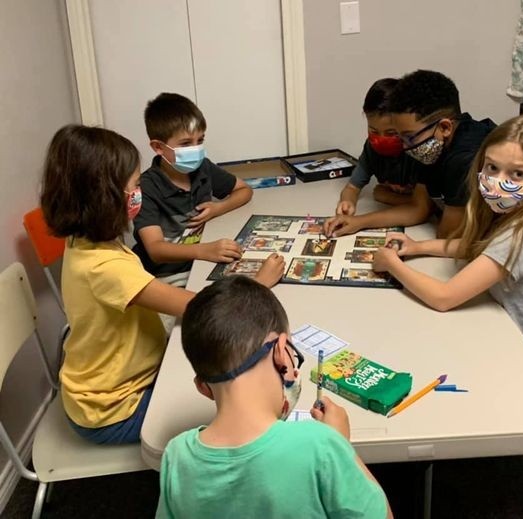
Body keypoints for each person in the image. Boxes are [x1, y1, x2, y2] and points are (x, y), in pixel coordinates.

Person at [40, 125, 284, 445]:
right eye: (135, 186)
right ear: (104, 198)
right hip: (115, 411)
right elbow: (202, 308)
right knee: (243, 405)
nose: (139, 193)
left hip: (121, 379)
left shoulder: (84, 240)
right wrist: (259, 284)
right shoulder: (104, 267)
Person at [156, 276, 392, 518]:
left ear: (203, 387)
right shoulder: (320, 446)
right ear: (281, 350)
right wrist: (341, 445)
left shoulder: (176, 456)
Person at [372, 115, 523, 377]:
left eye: (518, 174)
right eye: (492, 167)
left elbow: (444, 297)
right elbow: (479, 248)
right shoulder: (522, 211)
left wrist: (391, 264)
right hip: (508, 336)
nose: (498, 181)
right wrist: (417, 246)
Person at [325, 69, 496, 239]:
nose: (404, 147)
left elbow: (449, 235)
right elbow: (417, 209)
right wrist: (358, 222)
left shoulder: (464, 156)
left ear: (444, 127)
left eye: (408, 137)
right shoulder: (432, 145)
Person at [133, 92, 253, 288]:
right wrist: (204, 251)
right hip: (167, 275)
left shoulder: (203, 168)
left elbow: (244, 190)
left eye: (200, 140)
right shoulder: (146, 187)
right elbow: (155, 250)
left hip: (203, 262)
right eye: (186, 143)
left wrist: (218, 208)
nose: (196, 149)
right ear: (158, 147)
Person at [335, 78, 424, 216]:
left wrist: (386, 196)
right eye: (374, 131)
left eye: (391, 133)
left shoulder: (420, 150)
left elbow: (425, 206)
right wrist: (347, 202)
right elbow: (351, 188)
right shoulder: (371, 149)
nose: (381, 139)